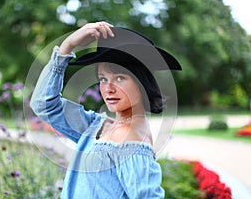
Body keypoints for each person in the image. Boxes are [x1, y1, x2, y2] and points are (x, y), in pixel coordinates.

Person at [30, 21, 181, 198]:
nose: (108, 88)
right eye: (102, 79)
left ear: (142, 81)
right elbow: (44, 105)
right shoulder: (96, 127)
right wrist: (67, 46)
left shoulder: (132, 142)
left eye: (119, 78)